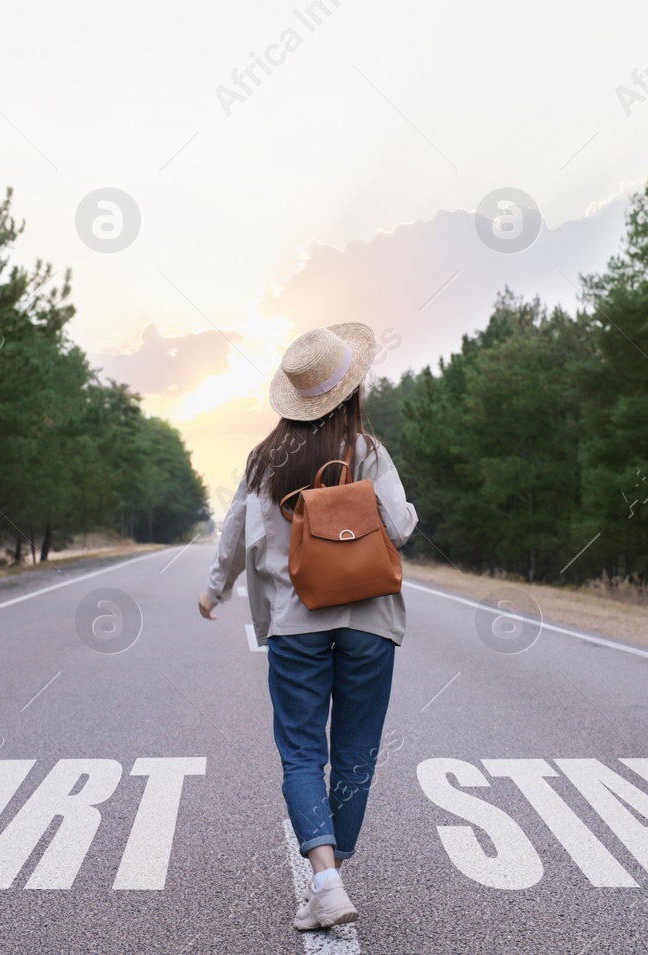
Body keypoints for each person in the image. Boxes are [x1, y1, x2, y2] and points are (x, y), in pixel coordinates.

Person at [198, 323, 418, 931]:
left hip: (297, 623)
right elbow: (399, 528)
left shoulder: (265, 459)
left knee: (301, 753)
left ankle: (324, 880)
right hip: (370, 618)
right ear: (349, 392)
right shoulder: (368, 451)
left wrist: (215, 589)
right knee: (355, 751)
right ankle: (332, 875)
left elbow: (235, 533)